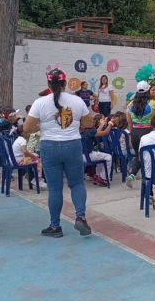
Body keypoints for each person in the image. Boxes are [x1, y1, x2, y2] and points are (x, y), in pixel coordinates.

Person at [24, 68, 94, 238]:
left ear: (48, 83)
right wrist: (77, 124)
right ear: (64, 83)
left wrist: (42, 126)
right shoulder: (77, 101)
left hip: (49, 146)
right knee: (77, 184)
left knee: (55, 189)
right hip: (72, 145)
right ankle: (80, 216)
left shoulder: (40, 102)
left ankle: (55, 226)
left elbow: (27, 128)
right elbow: (90, 122)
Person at [126, 81, 155, 188]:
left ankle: (132, 175)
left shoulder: (130, 105)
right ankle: (148, 183)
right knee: (149, 158)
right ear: (148, 91)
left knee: (138, 156)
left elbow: (129, 122)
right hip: (147, 133)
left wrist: (130, 136)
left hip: (134, 133)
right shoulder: (152, 104)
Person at [81, 115, 113, 187]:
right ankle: (104, 178)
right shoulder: (91, 131)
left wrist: (102, 124)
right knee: (108, 157)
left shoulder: (82, 131)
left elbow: (97, 132)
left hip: (81, 157)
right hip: (89, 156)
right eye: (92, 121)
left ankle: (98, 176)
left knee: (100, 156)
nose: (93, 121)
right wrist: (110, 124)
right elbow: (105, 132)